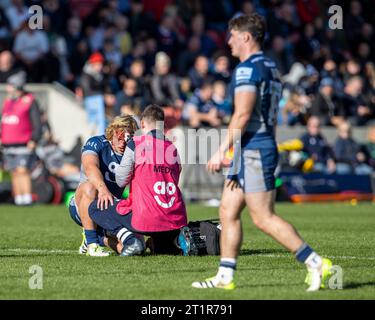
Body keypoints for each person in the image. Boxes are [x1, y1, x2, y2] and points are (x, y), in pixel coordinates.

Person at [192, 14, 332, 291]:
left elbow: (242, 114)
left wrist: (221, 150)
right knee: (227, 210)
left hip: (253, 149)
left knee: (263, 218)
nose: (228, 41)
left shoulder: (247, 69)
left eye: (232, 35)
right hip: (253, 146)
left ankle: (315, 261)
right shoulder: (270, 66)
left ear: (246, 37)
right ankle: (225, 276)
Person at [88, 105, 195, 256]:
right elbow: (175, 178)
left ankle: (130, 240)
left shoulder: (136, 143)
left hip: (146, 217)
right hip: (173, 220)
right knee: (160, 250)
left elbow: (120, 180)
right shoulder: (172, 148)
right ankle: (161, 243)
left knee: (95, 207)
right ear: (163, 125)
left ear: (143, 124)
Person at [68, 115, 139, 256]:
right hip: (84, 205)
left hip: (110, 208)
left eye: (127, 137)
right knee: (90, 187)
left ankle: (99, 238)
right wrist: (103, 189)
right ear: (112, 132)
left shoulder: (133, 150)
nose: (123, 142)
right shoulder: (96, 142)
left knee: (135, 246)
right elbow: (90, 166)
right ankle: (92, 244)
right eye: (120, 137)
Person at [0, 71, 42, 206]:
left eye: (10, 86)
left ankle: (27, 198)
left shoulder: (30, 100)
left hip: (24, 143)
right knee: (14, 172)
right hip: (8, 144)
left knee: (22, 171)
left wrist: (34, 139)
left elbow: (37, 122)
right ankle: (18, 199)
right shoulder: (8, 102)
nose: (8, 88)